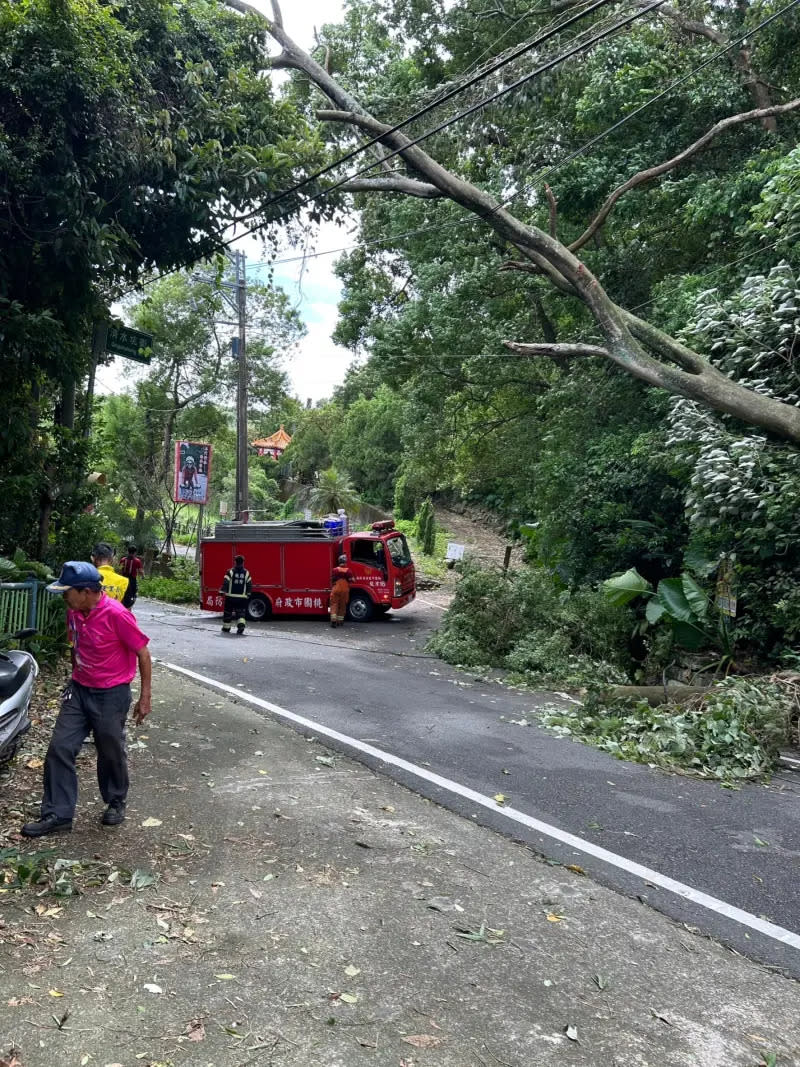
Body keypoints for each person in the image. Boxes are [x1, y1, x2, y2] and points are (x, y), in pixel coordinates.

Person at [21, 561, 152, 838]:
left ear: (85, 591)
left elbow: (143, 653)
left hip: (111, 694)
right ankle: (58, 814)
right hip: (80, 690)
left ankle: (116, 800)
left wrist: (145, 697)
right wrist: (74, 677)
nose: (63, 597)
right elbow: (76, 646)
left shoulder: (117, 615)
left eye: (67, 591)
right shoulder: (75, 612)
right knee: (60, 747)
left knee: (110, 750)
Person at [220, 554, 252, 635]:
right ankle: (241, 626)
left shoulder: (230, 571)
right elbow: (249, 584)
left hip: (230, 597)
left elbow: (225, 582)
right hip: (242, 598)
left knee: (228, 613)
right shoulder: (246, 573)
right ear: (243, 562)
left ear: (235, 562)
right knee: (241, 613)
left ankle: (226, 628)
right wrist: (248, 593)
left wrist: (222, 591)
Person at [329, 554, 353, 628]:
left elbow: (332, 579)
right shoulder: (348, 570)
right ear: (345, 562)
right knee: (342, 605)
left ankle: (333, 621)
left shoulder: (335, 570)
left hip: (336, 588)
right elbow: (351, 580)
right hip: (345, 590)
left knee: (334, 604)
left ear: (339, 562)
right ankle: (340, 621)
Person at [119, 545, 143, 610]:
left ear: (128, 551)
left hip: (123, 579)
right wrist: (143, 576)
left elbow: (119, 570)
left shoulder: (123, 560)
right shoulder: (137, 561)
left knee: (122, 594)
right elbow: (140, 571)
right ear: (135, 552)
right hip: (132, 581)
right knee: (132, 596)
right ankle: (128, 610)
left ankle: (120, 608)